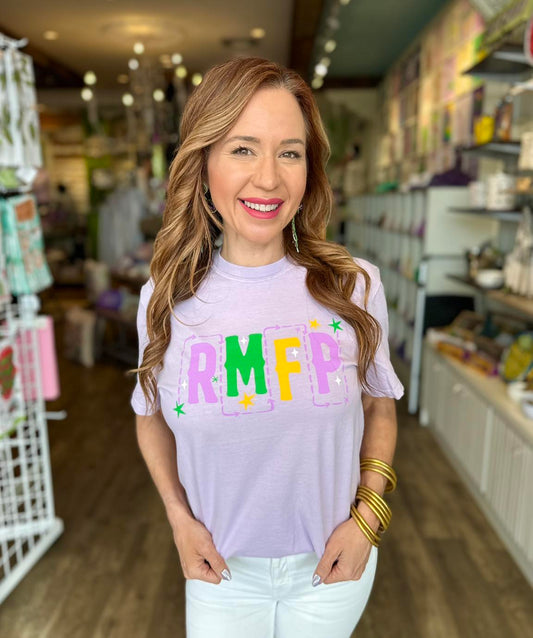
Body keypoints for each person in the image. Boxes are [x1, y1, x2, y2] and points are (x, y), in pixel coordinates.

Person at [131, 56, 403, 638]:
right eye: (243, 149)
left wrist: (368, 519)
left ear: (310, 169)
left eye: (290, 153)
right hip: (220, 572)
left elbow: (379, 404)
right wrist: (178, 519)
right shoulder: (166, 298)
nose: (269, 179)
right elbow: (148, 414)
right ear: (204, 163)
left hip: (332, 569)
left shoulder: (355, 286)